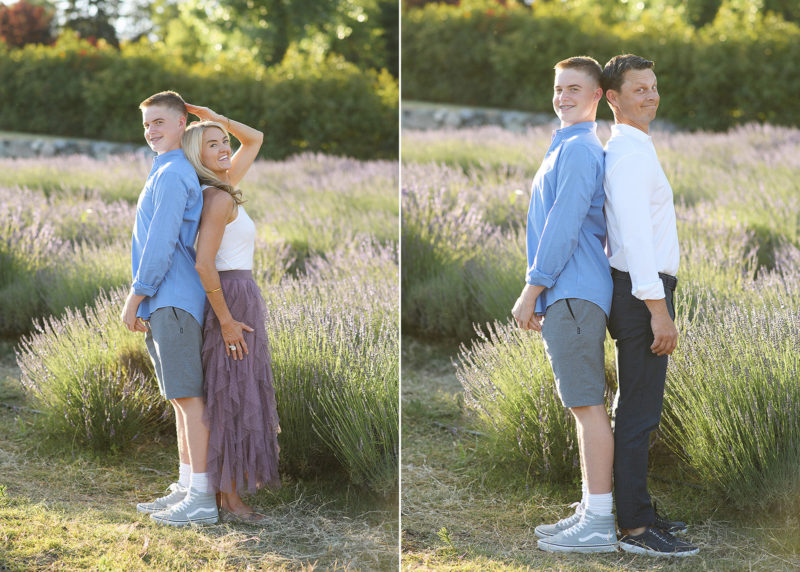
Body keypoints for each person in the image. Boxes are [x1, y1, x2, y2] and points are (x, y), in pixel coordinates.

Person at [511, 56, 616, 553]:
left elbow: (564, 225)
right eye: (558, 88)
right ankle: (587, 509)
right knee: (581, 405)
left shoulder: (578, 150)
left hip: (572, 292)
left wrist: (533, 287)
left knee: (587, 407)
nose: (562, 96)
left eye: (575, 88)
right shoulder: (566, 145)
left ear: (597, 96)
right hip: (569, 293)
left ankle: (598, 523)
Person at [601, 53, 698, 556]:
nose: (652, 95)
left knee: (640, 409)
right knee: (638, 413)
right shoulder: (629, 154)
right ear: (613, 98)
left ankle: (640, 511)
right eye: (639, 88)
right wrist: (659, 310)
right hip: (644, 295)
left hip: (643, 291)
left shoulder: (635, 147)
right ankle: (635, 529)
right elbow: (636, 241)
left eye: (654, 86)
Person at [123, 91, 218, 526]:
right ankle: (185, 487)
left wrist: (136, 293)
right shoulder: (164, 170)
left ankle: (202, 499)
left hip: (174, 298)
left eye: (159, 122)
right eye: (147, 124)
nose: (151, 131)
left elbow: (161, 244)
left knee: (189, 399)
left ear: (182, 124)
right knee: (180, 400)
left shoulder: (174, 173)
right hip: (166, 300)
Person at [182, 105, 281, 522]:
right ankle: (230, 501)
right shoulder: (218, 196)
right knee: (231, 397)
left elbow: (254, 137)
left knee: (239, 392)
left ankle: (229, 494)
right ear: (196, 155)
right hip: (230, 298)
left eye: (224, 142)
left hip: (241, 294)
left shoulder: (223, 185)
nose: (224, 148)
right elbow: (205, 263)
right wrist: (225, 321)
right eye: (213, 144)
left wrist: (214, 118)